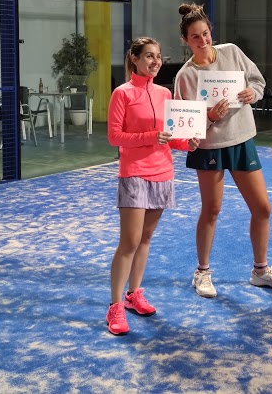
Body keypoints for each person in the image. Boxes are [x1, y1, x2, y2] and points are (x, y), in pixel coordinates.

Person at [174, 3, 272, 298]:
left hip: (241, 141)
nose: (202, 41)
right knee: (212, 210)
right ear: (185, 41)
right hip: (209, 148)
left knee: (263, 208)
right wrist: (209, 117)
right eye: (195, 37)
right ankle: (202, 273)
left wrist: (253, 92)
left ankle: (260, 271)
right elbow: (183, 125)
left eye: (205, 33)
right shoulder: (185, 77)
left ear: (211, 31)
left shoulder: (232, 52)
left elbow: (257, 81)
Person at [106, 37, 200, 335]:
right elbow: (114, 137)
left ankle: (134, 295)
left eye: (158, 56)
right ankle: (115, 306)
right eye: (149, 56)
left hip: (163, 173)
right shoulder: (122, 93)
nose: (156, 61)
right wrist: (149, 136)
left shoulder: (164, 93)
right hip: (134, 174)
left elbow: (170, 137)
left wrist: (187, 143)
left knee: (145, 239)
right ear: (134, 59)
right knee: (129, 242)